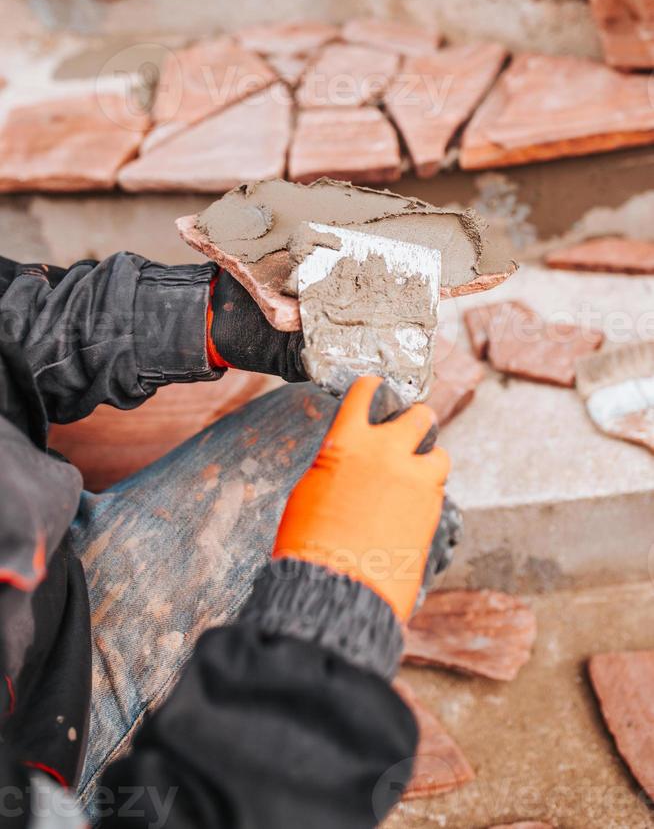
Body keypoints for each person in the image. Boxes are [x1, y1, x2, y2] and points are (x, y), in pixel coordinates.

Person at [0, 252, 450, 829]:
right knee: (399, 502)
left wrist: (206, 319)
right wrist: (332, 618)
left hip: (41, 624)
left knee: (329, 421)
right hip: (47, 784)